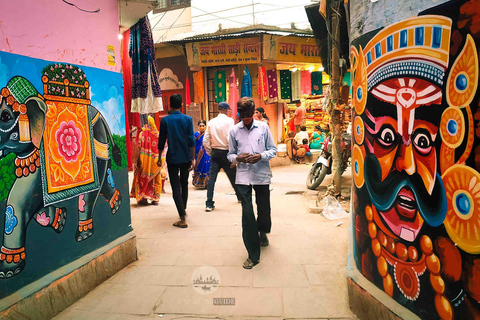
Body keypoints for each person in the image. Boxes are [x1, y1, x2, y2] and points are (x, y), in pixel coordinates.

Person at [227, 97, 277, 269]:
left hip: (261, 174)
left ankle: (263, 232)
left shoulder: (263, 127)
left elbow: (273, 150)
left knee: (263, 209)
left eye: (248, 115)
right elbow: (230, 154)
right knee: (247, 214)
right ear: (239, 114)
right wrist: (237, 158)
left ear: (253, 111)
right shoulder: (234, 131)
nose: (246, 119)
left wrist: (261, 156)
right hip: (242, 177)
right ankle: (253, 255)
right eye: (243, 115)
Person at [157, 94, 195, 228]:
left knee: (175, 188)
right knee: (184, 184)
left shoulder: (165, 121)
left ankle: (182, 218)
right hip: (185, 157)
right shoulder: (188, 119)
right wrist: (192, 158)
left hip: (172, 157)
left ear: (169, 105)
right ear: (182, 105)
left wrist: (158, 157)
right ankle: (183, 210)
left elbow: (161, 141)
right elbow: (191, 140)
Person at [203, 102, 240, 211]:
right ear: (226, 110)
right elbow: (230, 138)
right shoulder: (229, 121)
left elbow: (205, 140)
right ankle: (240, 196)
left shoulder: (211, 122)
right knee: (233, 176)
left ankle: (209, 203)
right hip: (226, 152)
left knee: (212, 179)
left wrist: (211, 152)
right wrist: (232, 154)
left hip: (215, 152)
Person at [130, 116, 163, 205]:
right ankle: (155, 198)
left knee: (142, 178)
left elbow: (138, 148)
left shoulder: (142, 134)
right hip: (155, 163)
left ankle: (143, 197)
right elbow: (162, 148)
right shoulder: (158, 135)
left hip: (144, 161)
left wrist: (136, 161)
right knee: (156, 179)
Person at [192, 120, 210, 189]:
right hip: (198, 154)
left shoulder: (207, 134)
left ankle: (206, 183)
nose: (202, 127)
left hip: (206, 154)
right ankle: (198, 182)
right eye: (200, 126)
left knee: (207, 166)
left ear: (206, 126)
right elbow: (193, 144)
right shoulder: (195, 135)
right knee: (199, 167)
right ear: (198, 127)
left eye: (203, 126)